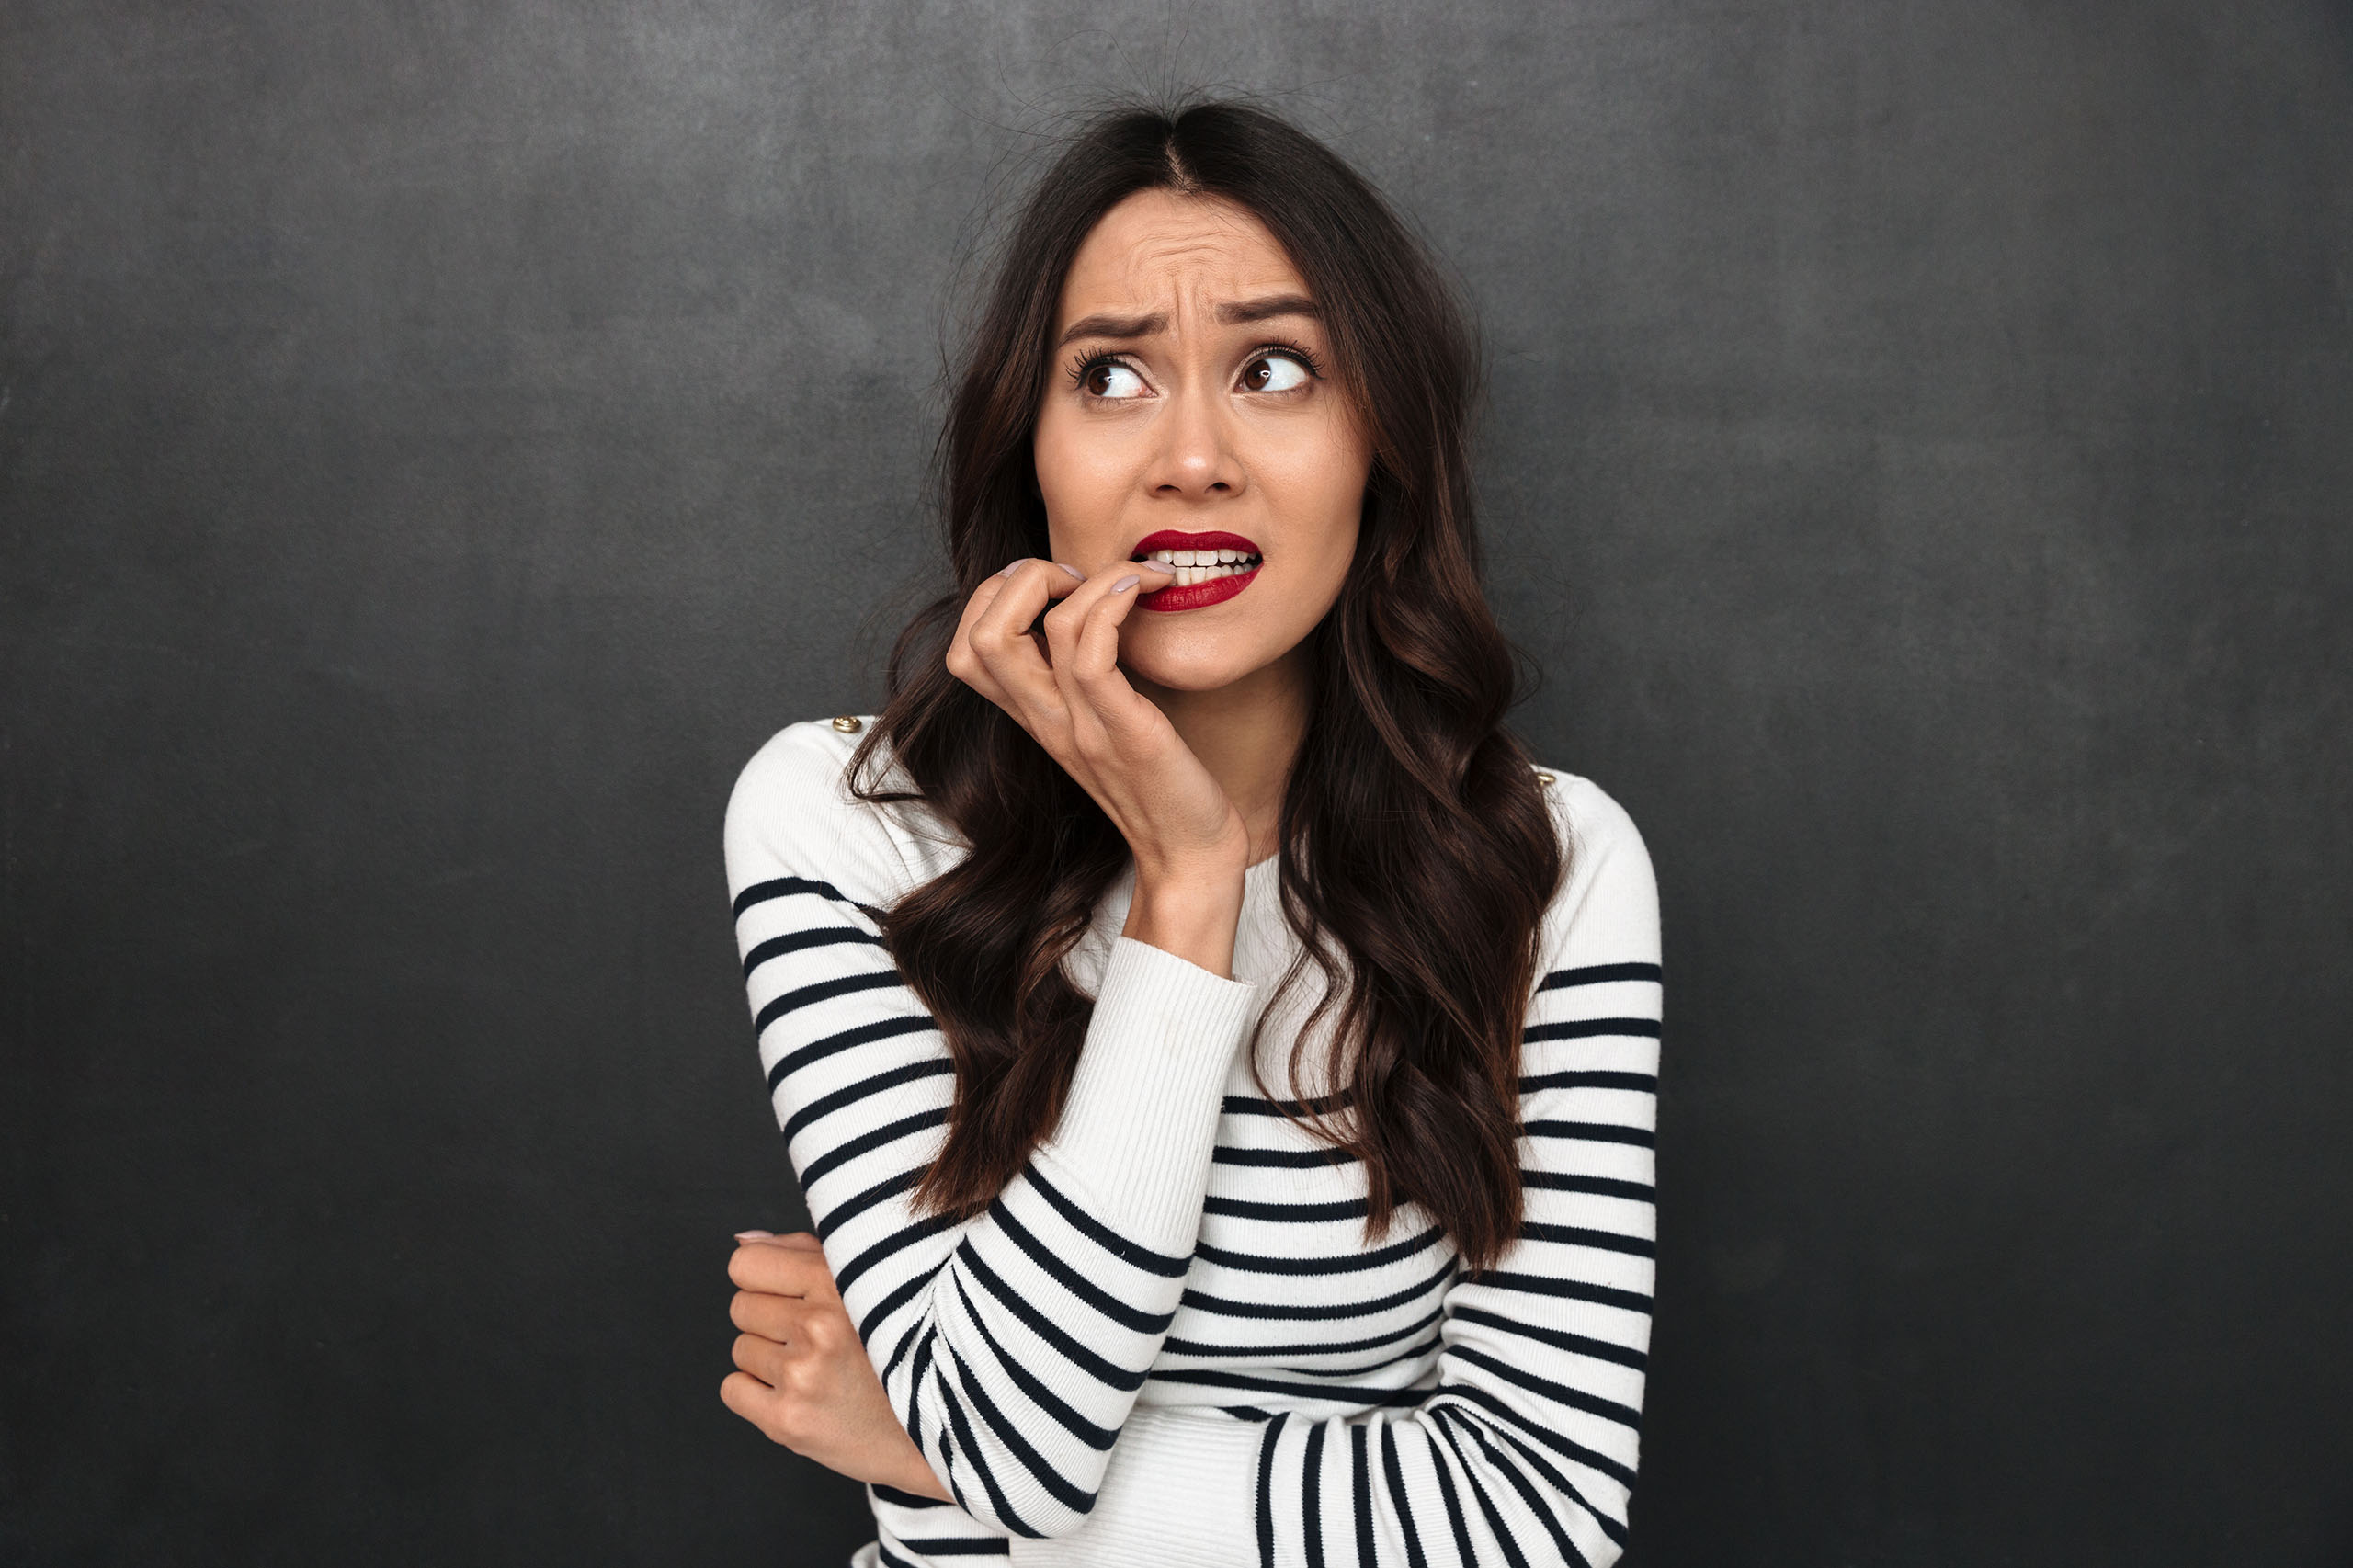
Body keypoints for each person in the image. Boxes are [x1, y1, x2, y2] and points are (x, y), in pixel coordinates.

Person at [718, 99, 1662, 1568]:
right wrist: (1189, 884)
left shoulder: (1551, 868)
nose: (1193, 456)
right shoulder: (844, 827)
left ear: (1380, 445)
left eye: (1274, 370)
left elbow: (1538, 1518)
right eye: (1110, 377)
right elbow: (1010, 1442)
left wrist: (918, 1440)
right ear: (1030, 446)